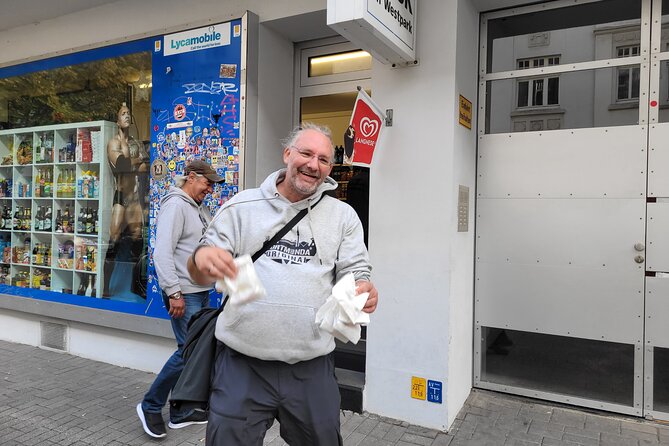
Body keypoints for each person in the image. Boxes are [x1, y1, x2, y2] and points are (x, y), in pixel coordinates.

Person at [188, 122, 379, 445]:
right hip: (241, 364)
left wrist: (364, 287)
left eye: (323, 159)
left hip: (311, 367)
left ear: (330, 168)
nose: (313, 164)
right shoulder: (241, 206)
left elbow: (357, 270)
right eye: (306, 153)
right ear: (287, 154)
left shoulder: (343, 216)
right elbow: (198, 271)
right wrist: (202, 261)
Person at [136, 160, 224, 439]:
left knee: (196, 353)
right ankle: (150, 405)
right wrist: (173, 292)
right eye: (207, 183)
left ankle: (181, 410)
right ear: (191, 177)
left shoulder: (198, 208)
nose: (210, 189)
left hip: (201, 290)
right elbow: (162, 253)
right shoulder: (175, 205)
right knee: (188, 351)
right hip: (183, 292)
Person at [103, 102, 149, 297]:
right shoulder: (113, 143)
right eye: (123, 114)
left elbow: (145, 168)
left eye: (129, 114)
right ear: (117, 120)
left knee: (138, 240)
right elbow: (121, 164)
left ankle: (135, 285)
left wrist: (134, 163)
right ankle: (105, 288)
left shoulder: (137, 144)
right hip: (121, 196)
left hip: (135, 197)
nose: (127, 117)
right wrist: (134, 163)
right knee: (113, 240)